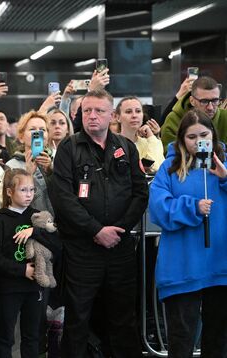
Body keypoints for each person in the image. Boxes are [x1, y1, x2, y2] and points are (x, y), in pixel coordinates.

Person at [50, 89, 148, 357]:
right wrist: (96, 230)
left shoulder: (126, 148)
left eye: (99, 111)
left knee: (123, 318)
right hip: (82, 248)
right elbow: (62, 198)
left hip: (120, 247)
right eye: (87, 111)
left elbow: (141, 194)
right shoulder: (69, 148)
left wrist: (119, 230)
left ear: (112, 115)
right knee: (78, 318)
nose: (92, 116)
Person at [149, 109, 227, 356]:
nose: (198, 141)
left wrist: (225, 178)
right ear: (182, 139)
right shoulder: (169, 169)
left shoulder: (223, 164)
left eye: (203, 135)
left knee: (219, 340)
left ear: (212, 135)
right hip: (182, 267)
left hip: (221, 266)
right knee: (181, 340)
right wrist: (191, 207)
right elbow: (158, 209)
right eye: (191, 137)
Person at [0, 168, 61, 358]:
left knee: (32, 336)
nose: (29, 195)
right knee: (5, 336)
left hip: (34, 288)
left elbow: (57, 246)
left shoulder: (38, 217)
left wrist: (34, 232)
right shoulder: (0, 219)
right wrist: (22, 270)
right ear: (9, 192)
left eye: (31, 190)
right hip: (10, 287)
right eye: (23, 190)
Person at [5, 110, 53, 213]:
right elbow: (10, 201)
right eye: (32, 129)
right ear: (21, 137)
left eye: (42, 130)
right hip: (27, 224)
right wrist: (28, 174)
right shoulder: (11, 166)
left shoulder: (57, 161)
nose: (38, 133)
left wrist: (50, 171)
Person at [162, 76, 227, 151]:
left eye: (215, 101)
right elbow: (169, 155)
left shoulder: (225, 117)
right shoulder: (173, 119)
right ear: (192, 100)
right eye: (204, 101)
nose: (210, 107)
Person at [116, 96, 165, 173]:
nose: (134, 115)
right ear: (118, 117)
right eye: (128, 112)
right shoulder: (111, 143)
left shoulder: (151, 143)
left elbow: (157, 168)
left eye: (138, 111)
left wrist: (152, 137)